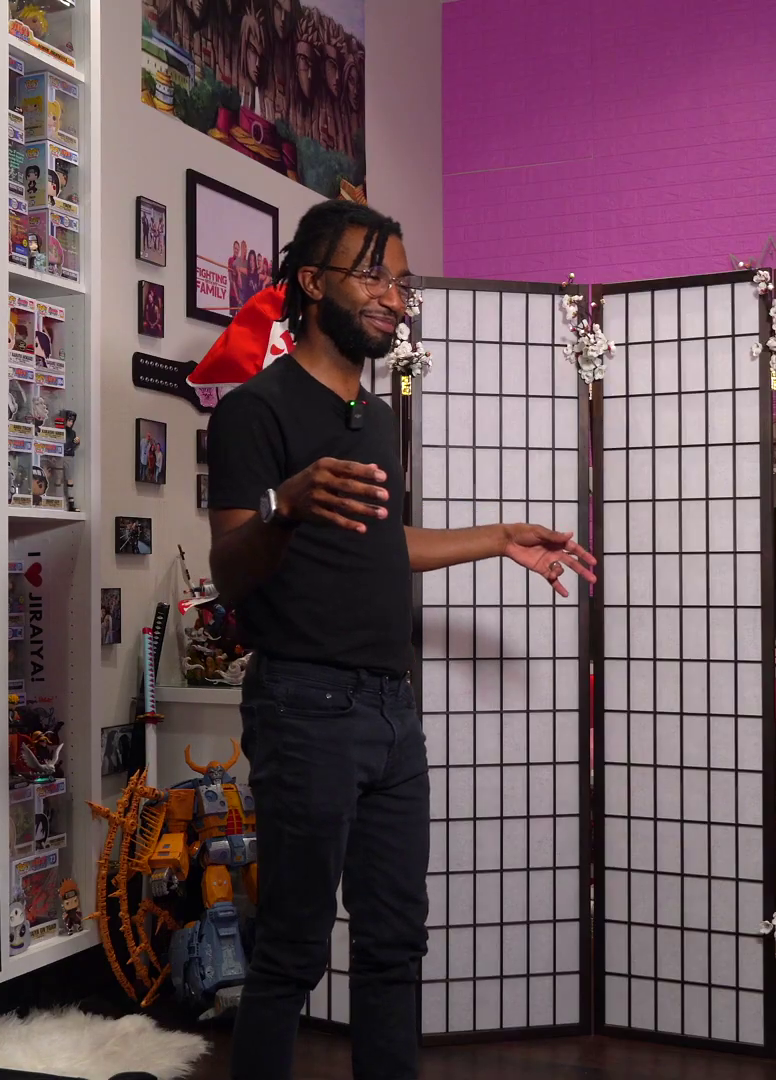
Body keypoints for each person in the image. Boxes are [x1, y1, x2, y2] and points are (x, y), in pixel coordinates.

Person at [205, 200, 597, 1080]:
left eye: (401, 281)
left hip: (391, 710)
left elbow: (383, 544)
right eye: (374, 275)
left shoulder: (375, 416)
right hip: (304, 707)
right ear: (313, 283)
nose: (393, 296)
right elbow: (230, 569)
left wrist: (498, 537)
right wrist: (284, 505)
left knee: (394, 944)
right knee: (293, 949)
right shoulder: (254, 412)